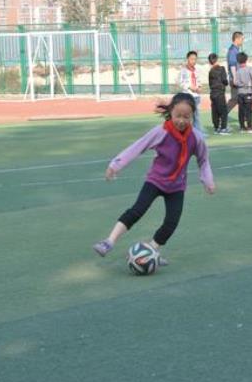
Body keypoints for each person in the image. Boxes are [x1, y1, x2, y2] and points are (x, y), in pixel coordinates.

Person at [92, 92, 215, 264]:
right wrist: (116, 164)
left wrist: (208, 180)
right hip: (155, 181)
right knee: (137, 211)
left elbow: (203, 160)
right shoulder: (160, 132)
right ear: (171, 112)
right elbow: (138, 147)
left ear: (192, 116)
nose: (181, 120)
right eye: (178, 115)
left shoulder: (196, 138)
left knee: (171, 223)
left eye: (186, 117)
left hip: (176, 187)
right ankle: (109, 242)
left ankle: (150, 251)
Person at [179, 51, 204, 133]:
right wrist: (190, 87)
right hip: (187, 96)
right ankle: (186, 132)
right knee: (187, 115)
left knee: (196, 116)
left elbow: (199, 80)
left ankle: (197, 133)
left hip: (196, 96)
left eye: (195, 59)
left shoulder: (197, 70)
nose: (193, 61)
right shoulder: (183, 70)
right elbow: (180, 82)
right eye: (192, 59)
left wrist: (199, 87)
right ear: (188, 59)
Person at [234, 52, 252, 133]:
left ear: (238, 61)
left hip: (240, 93)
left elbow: (235, 82)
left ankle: (242, 127)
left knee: (241, 110)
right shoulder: (250, 69)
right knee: (249, 110)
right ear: (246, 60)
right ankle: (249, 127)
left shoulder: (238, 71)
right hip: (248, 92)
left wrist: (241, 84)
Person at [207, 53, 230, 135]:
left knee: (215, 110)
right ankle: (223, 128)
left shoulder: (211, 71)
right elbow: (224, 80)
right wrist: (226, 82)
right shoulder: (222, 68)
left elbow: (210, 83)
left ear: (210, 62)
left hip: (213, 93)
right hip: (220, 92)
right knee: (223, 111)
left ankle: (216, 128)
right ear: (217, 59)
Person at [226, 31, 244, 113]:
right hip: (234, 78)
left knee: (241, 98)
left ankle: (245, 118)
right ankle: (222, 115)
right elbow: (232, 65)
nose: (242, 41)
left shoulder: (236, 50)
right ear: (237, 39)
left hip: (237, 77)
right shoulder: (233, 50)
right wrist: (235, 78)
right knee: (235, 99)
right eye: (242, 39)